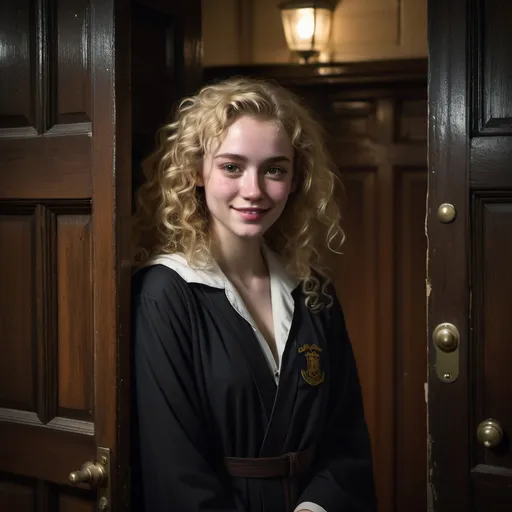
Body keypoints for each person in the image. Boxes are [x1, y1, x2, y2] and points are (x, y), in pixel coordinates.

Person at [131, 77, 377, 512]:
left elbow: (347, 439)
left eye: (274, 169)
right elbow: (174, 470)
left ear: (295, 178)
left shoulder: (314, 291)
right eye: (231, 166)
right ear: (196, 171)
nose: (254, 190)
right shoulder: (165, 294)